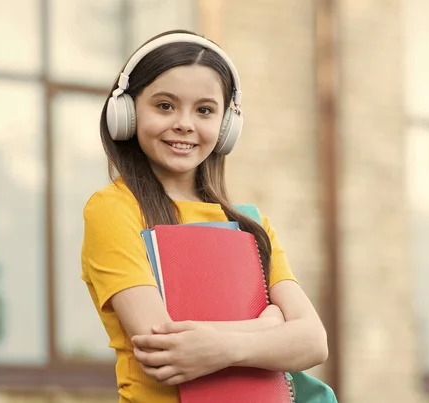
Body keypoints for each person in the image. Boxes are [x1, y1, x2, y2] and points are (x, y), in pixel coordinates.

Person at [81, 29, 328, 403]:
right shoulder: (114, 209)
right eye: (165, 106)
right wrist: (267, 328)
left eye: (205, 110)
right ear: (127, 113)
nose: (184, 123)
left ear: (226, 125)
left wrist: (226, 346)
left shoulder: (251, 224)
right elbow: (163, 345)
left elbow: (313, 341)